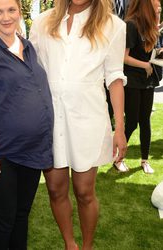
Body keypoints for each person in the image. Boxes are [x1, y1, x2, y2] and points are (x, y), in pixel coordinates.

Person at [29, 0, 127, 249]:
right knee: (54, 188)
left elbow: (114, 77)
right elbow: (32, 70)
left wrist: (120, 128)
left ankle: (87, 246)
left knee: (84, 191)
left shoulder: (113, 25)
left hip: (88, 119)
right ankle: (70, 244)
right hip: (49, 119)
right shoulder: (42, 22)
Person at [0, 0, 54, 249]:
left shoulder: (28, 48)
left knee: (22, 214)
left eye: (11, 10)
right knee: (5, 219)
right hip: (1, 154)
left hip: (31, 151)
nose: (6, 17)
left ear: (19, 12)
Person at [120, 0, 161, 174]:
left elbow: (148, 51)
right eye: (155, 4)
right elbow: (124, 57)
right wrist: (144, 65)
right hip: (133, 80)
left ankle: (144, 160)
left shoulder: (150, 25)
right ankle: (118, 157)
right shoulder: (131, 25)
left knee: (145, 121)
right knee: (132, 122)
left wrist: (158, 53)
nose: (158, 6)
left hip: (148, 80)